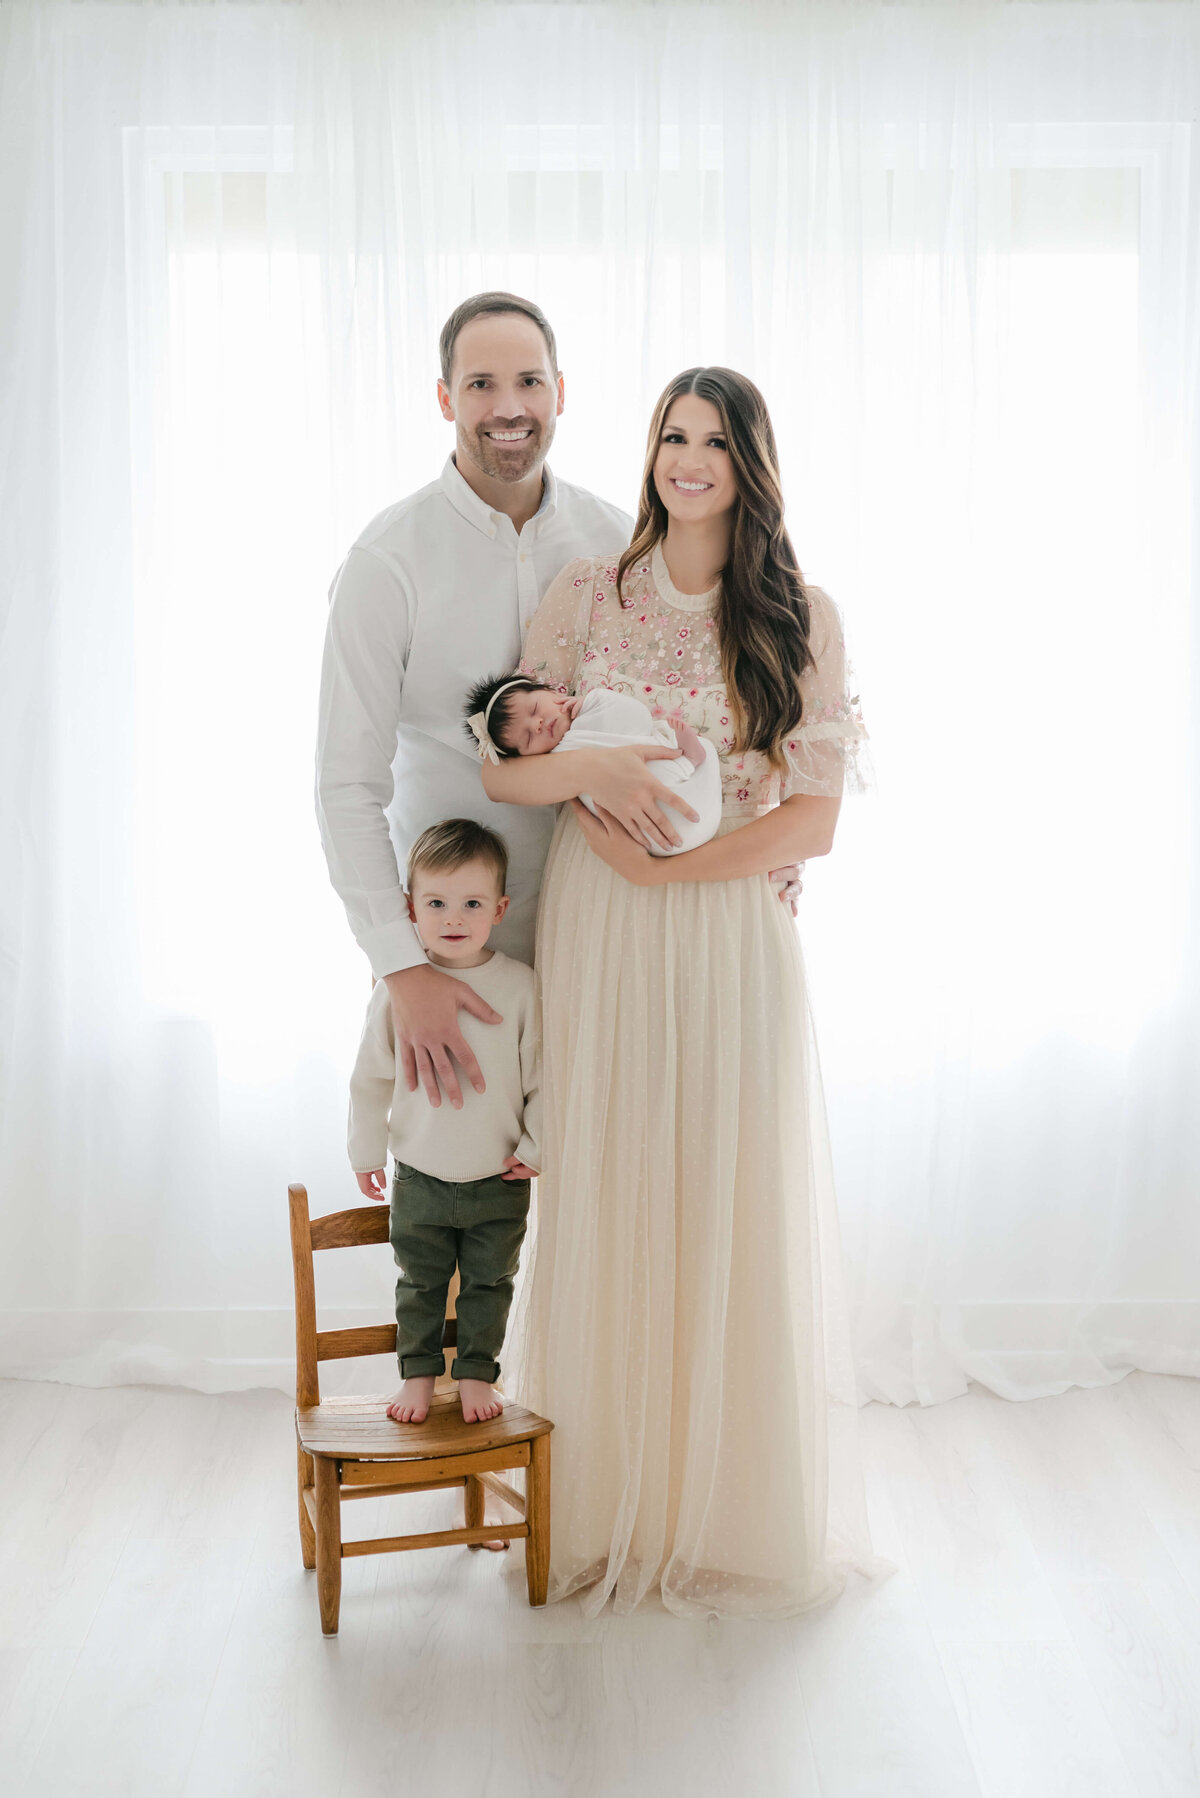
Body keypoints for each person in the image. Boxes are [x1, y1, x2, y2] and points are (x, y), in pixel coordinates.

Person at [485, 366, 889, 1618]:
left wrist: (676, 871)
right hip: (602, 930)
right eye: (673, 433)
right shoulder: (587, 594)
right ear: (650, 447)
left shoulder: (802, 616)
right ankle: (607, 1502)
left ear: (750, 463)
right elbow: (508, 774)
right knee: (609, 1192)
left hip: (723, 933)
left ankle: (726, 1507)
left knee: (724, 1199)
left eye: (714, 439)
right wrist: (598, 786)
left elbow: (813, 825)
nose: (688, 457)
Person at [317, 290, 664, 1111]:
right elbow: (346, 784)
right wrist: (404, 971)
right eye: (480, 385)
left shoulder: (622, 543)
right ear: (444, 398)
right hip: (450, 953)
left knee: (597, 1202)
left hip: (608, 929)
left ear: (560, 391)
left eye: (529, 382)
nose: (509, 408)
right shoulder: (385, 562)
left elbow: (683, 713)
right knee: (458, 1221)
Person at [347, 820, 540, 1428]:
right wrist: (365, 1152)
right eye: (435, 903)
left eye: (472, 903)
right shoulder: (395, 992)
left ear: (500, 909)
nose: (453, 917)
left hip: (499, 1176)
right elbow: (370, 1078)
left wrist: (540, 1145)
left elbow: (545, 1077)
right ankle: (418, 1375)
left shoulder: (520, 988)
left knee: (491, 1285)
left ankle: (479, 1373)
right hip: (419, 1175)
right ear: (410, 909)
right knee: (419, 1284)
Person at [462, 671, 722, 856]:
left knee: (663, 752)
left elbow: (637, 718)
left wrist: (591, 701)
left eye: (534, 710)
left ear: (551, 690)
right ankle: (689, 760)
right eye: (528, 738)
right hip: (640, 838)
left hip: (686, 804)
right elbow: (500, 779)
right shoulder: (556, 759)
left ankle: (689, 760)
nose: (538, 724)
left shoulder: (590, 709)